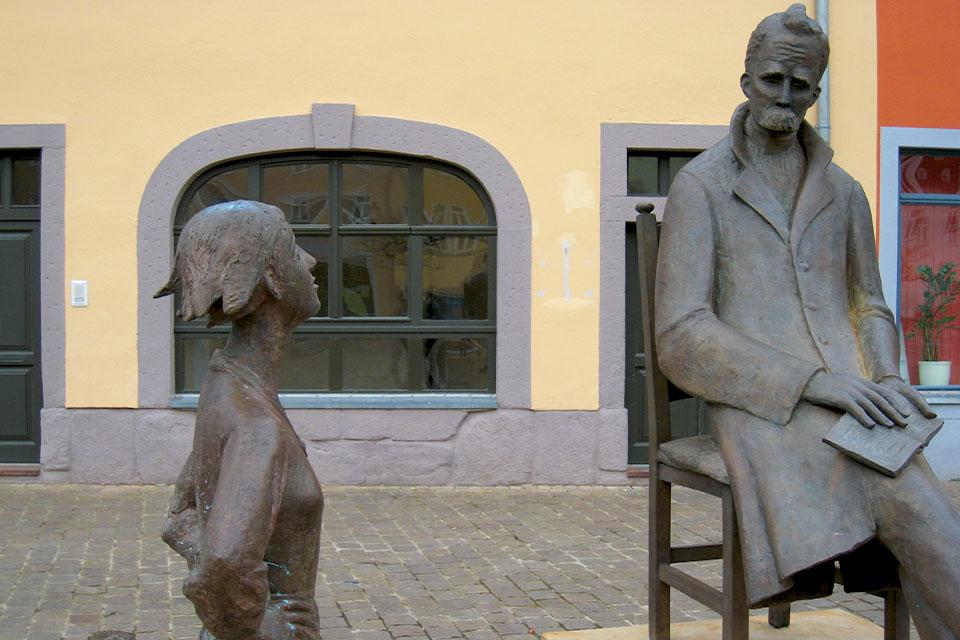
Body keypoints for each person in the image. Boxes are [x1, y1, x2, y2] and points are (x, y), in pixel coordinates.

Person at [655, 5, 960, 637]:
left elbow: (869, 304)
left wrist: (887, 375)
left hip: (857, 398)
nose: (786, 96)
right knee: (908, 500)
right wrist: (816, 383)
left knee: (925, 510)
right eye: (773, 79)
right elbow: (681, 336)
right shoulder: (700, 185)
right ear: (746, 80)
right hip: (765, 406)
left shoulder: (845, 192)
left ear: (816, 92)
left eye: (802, 85)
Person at [156, 200, 324, 640]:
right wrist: (266, 626)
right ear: (269, 277)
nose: (310, 261)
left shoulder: (225, 382)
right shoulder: (256, 425)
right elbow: (224, 566)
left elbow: (181, 517)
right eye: (293, 248)